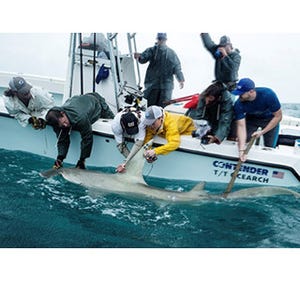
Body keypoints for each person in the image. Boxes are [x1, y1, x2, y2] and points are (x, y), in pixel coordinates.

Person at [45, 92, 114, 169]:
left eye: (64, 122)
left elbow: (87, 138)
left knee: (113, 121)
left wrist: (82, 159)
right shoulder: (57, 122)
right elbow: (62, 140)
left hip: (97, 102)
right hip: (79, 101)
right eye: (62, 125)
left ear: (63, 113)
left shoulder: (80, 117)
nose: (65, 125)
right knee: (64, 127)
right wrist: (60, 158)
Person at [232, 78, 282, 162]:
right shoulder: (238, 104)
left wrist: (262, 132)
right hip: (251, 120)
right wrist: (241, 150)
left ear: (251, 92)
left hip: (270, 120)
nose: (239, 96)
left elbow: (278, 116)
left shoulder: (268, 94)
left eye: (241, 94)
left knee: (269, 148)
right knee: (242, 142)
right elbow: (241, 126)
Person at [134, 33, 185, 107]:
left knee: (163, 108)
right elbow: (143, 59)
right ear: (157, 39)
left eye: (163, 39)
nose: (161, 41)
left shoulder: (171, 53)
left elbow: (177, 67)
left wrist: (181, 79)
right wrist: (139, 57)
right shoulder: (151, 50)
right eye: (159, 39)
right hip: (152, 86)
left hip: (166, 87)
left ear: (166, 40)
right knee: (150, 107)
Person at [111, 107, 146, 173]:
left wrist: (125, 162)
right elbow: (121, 147)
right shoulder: (115, 125)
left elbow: (138, 144)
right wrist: (129, 163)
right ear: (123, 125)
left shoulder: (142, 119)